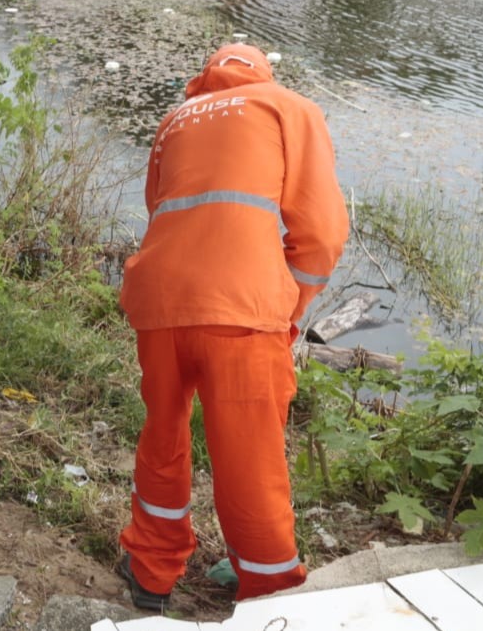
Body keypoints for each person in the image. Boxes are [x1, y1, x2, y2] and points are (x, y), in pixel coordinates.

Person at [116, 43, 349, 611]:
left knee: (163, 436)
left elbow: (161, 206)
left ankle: (150, 571)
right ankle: (270, 593)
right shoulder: (288, 107)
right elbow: (321, 231)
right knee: (250, 456)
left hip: (160, 301)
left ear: (207, 78)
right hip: (243, 311)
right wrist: (290, 305)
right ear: (263, 75)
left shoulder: (175, 119)